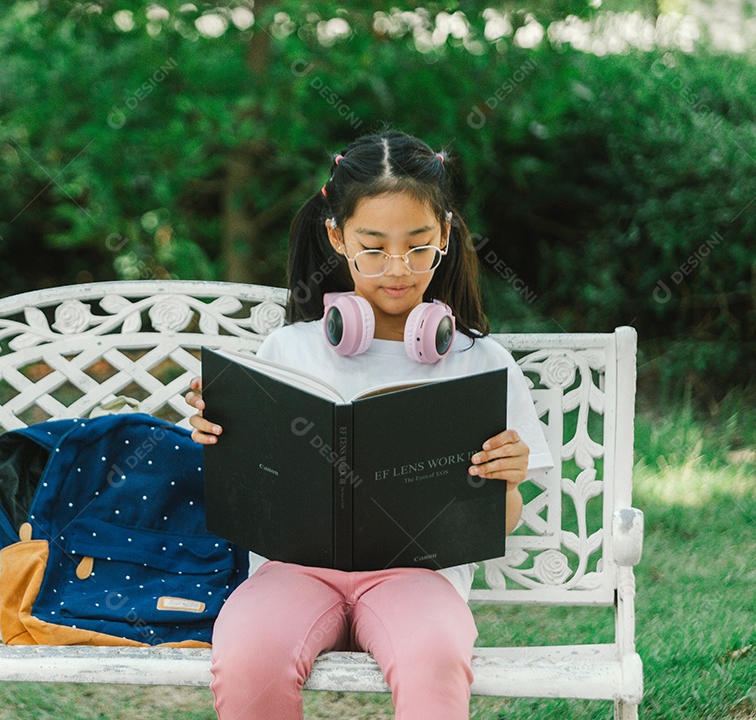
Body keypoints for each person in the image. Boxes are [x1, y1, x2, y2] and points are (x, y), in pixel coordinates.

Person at [184, 130, 554, 720]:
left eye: (418, 245)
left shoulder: (480, 362)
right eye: (374, 247)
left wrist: (505, 483)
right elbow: (248, 489)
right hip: (294, 570)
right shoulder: (288, 348)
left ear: (447, 236)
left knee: (434, 655)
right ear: (337, 237)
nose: (398, 269)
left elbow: (500, 523)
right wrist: (220, 436)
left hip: (419, 576)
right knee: (248, 653)